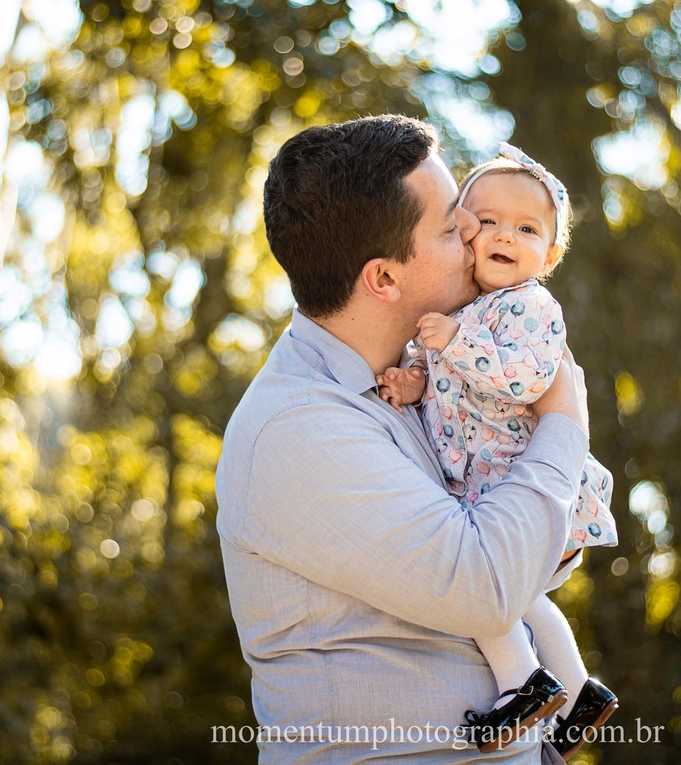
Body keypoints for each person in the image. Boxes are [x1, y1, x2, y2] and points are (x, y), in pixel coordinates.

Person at [214, 115, 593, 763]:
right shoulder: (300, 428)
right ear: (384, 279)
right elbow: (487, 587)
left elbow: (536, 555)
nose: (477, 230)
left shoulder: (418, 379)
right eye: (452, 224)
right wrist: (564, 421)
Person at [376, 144, 619, 757]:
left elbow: (526, 381)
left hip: (518, 483)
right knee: (521, 594)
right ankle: (579, 689)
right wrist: (411, 381)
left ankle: (523, 685)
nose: (504, 235)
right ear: (463, 235)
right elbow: (442, 385)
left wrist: (455, 342)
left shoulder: (531, 308)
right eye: (487, 222)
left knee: (483, 586)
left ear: (551, 254)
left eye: (527, 228)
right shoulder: (462, 310)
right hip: (487, 484)